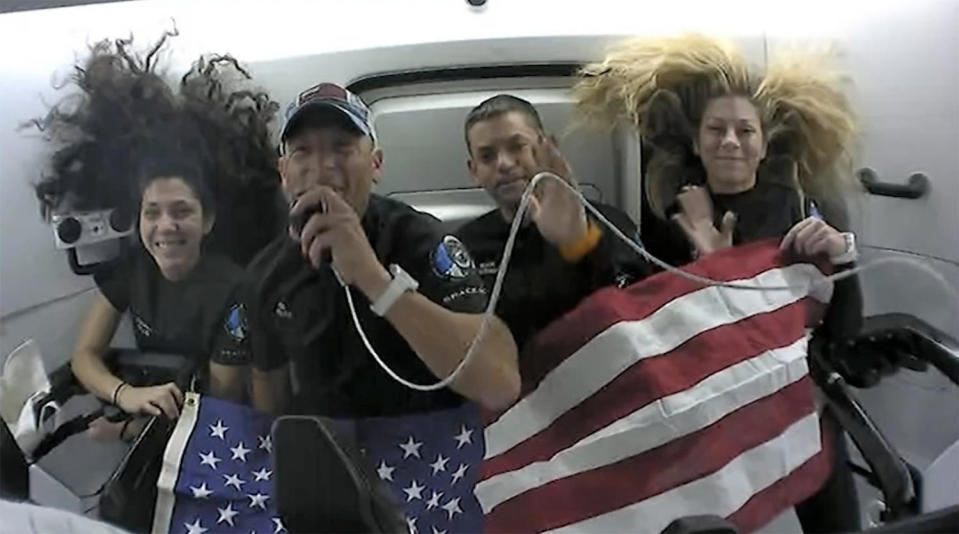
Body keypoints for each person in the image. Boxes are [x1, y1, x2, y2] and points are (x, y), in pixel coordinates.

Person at [575, 34, 864, 533]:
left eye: (744, 131)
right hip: (715, 419)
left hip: (800, 404)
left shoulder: (804, 211)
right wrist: (706, 261)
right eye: (717, 129)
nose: (730, 141)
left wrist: (843, 258)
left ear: (763, 143)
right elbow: (671, 339)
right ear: (696, 141)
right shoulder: (671, 219)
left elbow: (846, 333)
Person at [247, 83, 520, 532]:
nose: (323, 166)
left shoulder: (422, 242)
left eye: (341, 147)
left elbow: (499, 382)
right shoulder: (265, 275)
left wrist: (376, 281)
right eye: (303, 152)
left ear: (375, 164)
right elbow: (268, 401)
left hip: (424, 474)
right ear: (283, 172)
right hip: (331, 478)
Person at [29, 33, 282, 438]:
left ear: (208, 220)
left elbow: (222, 404)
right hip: (155, 420)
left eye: (182, 211)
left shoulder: (235, 291)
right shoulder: (133, 271)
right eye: (153, 212)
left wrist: (123, 431)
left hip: (213, 439)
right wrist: (124, 394)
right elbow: (85, 356)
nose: (166, 225)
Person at [456, 95, 650, 350]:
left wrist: (579, 244)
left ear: (547, 148)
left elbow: (639, 308)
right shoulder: (464, 247)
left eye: (517, 146)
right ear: (474, 171)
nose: (503, 163)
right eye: (487, 156)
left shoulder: (607, 222)